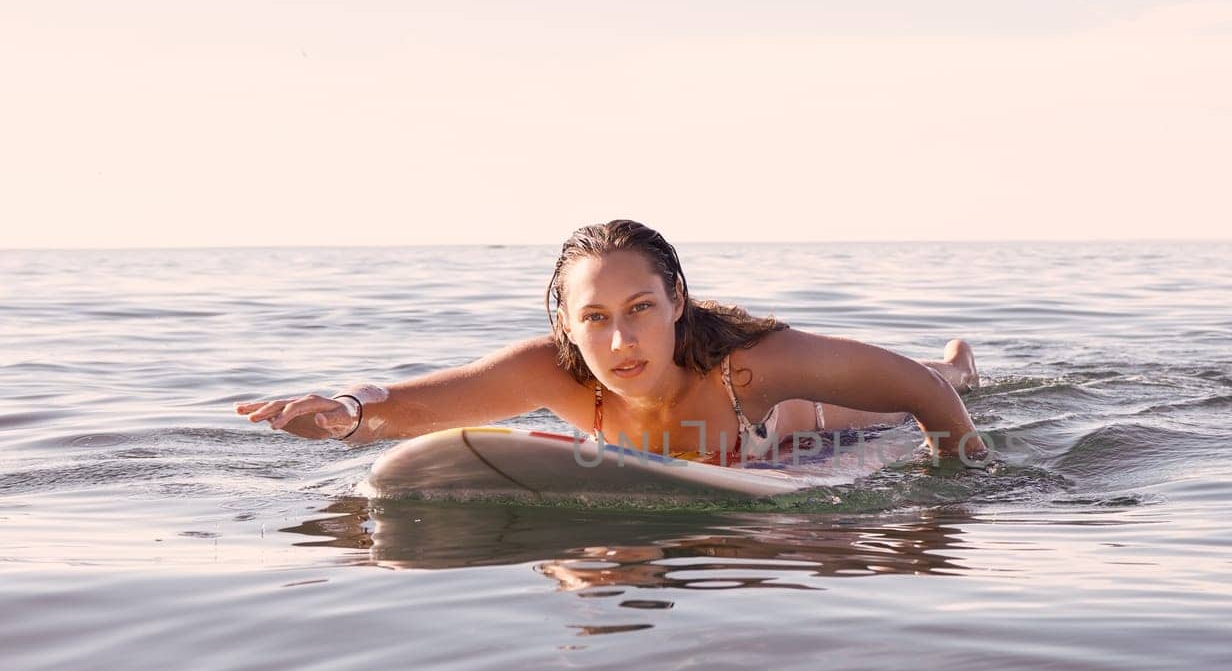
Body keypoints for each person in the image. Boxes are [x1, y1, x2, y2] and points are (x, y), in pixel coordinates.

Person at [235, 220, 985, 465]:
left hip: (795, 423)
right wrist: (342, 412)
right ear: (566, 325)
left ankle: (961, 358)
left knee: (893, 401)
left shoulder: (750, 365)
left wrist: (957, 477)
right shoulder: (548, 371)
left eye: (640, 310)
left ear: (677, 303)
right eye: (594, 317)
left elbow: (921, 401)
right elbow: (403, 405)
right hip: (702, 456)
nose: (622, 340)